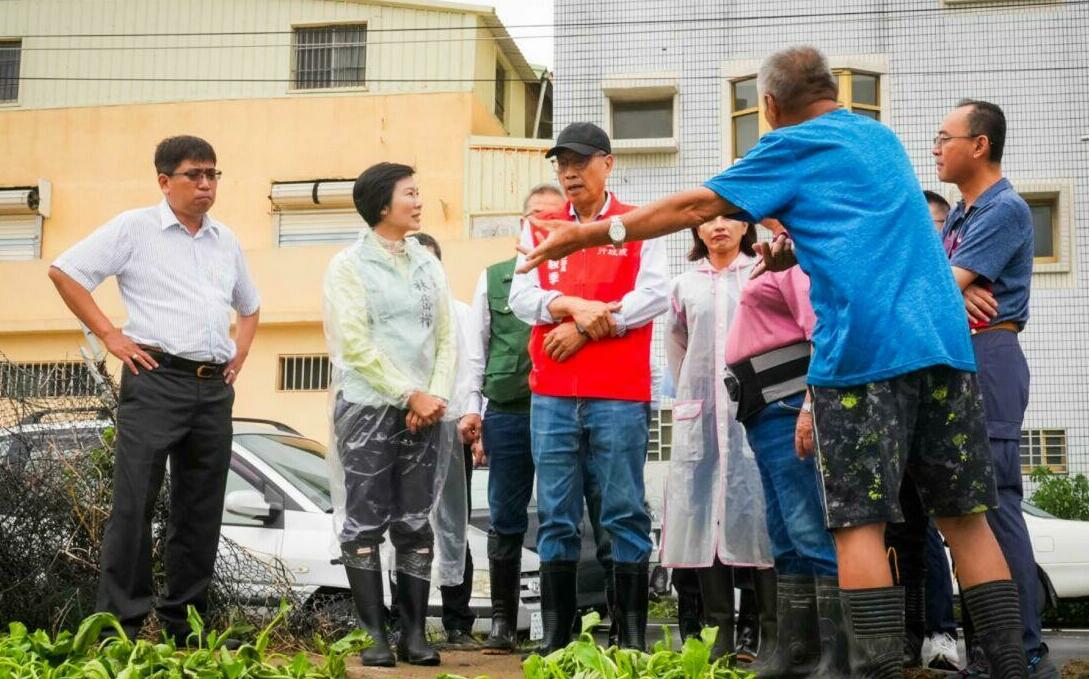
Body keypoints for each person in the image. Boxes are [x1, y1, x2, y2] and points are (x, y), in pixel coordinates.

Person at [518, 46, 1028, 678]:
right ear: (832, 90)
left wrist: (590, 233)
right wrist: (798, 252)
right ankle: (1012, 667)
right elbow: (862, 230)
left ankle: (874, 671)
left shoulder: (790, 145)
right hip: (945, 346)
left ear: (767, 106)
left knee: (858, 524)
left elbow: (693, 208)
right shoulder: (879, 137)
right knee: (966, 521)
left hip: (865, 354)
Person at [48, 135, 260, 643]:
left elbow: (249, 305)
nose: (206, 184)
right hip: (155, 379)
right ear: (165, 181)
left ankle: (184, 628)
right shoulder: (134, 228)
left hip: (212, 389)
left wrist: (241, 354)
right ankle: (117, 628)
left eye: (213, 174)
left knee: (200, 509)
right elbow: (66, 271)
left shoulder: (225, 239)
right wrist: (110, 335)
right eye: (195, 175)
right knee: (134, 504)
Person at [509, 122, 670, 652]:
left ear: (608, 162)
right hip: (552, 392)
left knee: (624, 510)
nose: (569, 172)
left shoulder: (636, 224)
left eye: (579, 161)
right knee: (555, 512)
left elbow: (654, 296)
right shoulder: (541, 228)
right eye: (561, 164)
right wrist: (569, 306)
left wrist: (586, 326)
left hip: (619, 393)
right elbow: (522, 296)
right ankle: (555, 637)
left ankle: (628, 638)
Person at [935, 99, 1056, 678]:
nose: (936, 148)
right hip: (960, 356)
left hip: (991, 355)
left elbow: (932, 284)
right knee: (966, 505)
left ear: (978, 145)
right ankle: (990, 648)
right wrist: (954, 293)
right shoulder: (960, 215)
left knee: (995, 503)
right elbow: (932, 284)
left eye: (945, 137)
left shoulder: (1003, 208)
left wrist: (948, 289)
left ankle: (1023, 649)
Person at [322, 162, 458, 667]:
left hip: (426, 410)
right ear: (383, 205)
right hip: (368, 407)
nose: (420, 201)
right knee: (364, 524)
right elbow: (353, 345)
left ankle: (416, 634)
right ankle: (374, 634)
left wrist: (435, 396)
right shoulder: (348, 266)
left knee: (415, 522)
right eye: (411, 193)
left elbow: (447, 337)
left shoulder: (428, 262)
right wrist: (408, 394)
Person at [720, 217, 842, 677]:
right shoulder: (776, 249)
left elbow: (821, 332)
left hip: (788, 402)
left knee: (808, 528)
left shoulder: (797, 254)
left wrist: (811, 406)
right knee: (784, 534)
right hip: (762, 407)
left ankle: (835, 654)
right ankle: (797, 652)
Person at [662, 216, 772, 662]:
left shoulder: (762, 273)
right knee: (704, 517)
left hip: (754, 413)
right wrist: (693, 395)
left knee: (763, 518)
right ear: (697, 231)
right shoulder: (684, 285)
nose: (719, 226)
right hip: (703, 415)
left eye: (731, 218)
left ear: (747, 228)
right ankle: (720, 632)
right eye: (709, 219)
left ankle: (769, 631)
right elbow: (676, 346)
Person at [463, 184, 566, 654]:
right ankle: (503, 623)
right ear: (521, 226)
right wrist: (474, 409)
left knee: (559, 516)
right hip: (508, 412)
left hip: (565, 408)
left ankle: (558, 625)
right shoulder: (495, 278)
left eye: (553, 215)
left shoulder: (577, 271)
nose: (543, 223)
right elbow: (475, 351)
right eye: (535, 217)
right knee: (505, 517)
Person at [406, 231, 482, 650]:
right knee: (404, 526)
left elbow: (472, 369)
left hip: (449, 429)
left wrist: (469, 416)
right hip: (403, 431)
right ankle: (405, 622)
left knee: (454, 525)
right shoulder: (394, 316)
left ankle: (457, 623)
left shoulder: (462, 313)